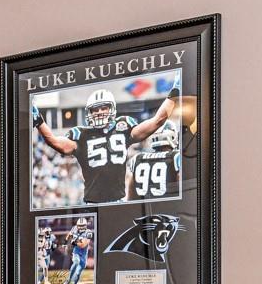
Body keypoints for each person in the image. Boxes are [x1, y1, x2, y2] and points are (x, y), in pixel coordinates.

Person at [35, 88, 177, 206]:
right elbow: (55, 142)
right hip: (92, 204)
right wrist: (39, 121)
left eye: (104, 108)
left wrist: (173, 94)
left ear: (112, 109)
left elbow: (158, 120)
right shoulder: (81, 134)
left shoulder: (123, 126)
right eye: (95, 109)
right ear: (89, 113)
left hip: (118, 202)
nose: (99, 112)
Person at [66, 217, 93, 284]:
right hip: (76, 251)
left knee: (78, 273)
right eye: (80, 225)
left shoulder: (88, 232)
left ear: (86, 225)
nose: (81, 227)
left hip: (84, 255)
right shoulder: (74, 228)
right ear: (77, 225)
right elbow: (68, 236)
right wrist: (68, 240)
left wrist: (75, 242)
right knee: (76, 261)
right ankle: (69, 279)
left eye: (83, 225)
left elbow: (83, 245)